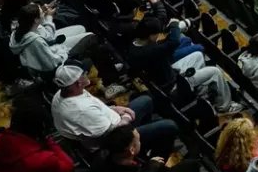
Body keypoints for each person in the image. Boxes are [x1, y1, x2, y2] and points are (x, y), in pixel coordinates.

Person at [50, 65, 179, 153]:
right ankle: (146, 150)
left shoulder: (62, 93)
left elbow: (94, 104)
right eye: (83, 74)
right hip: (113, 139)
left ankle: (143, 142)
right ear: (78, 83)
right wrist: (126, 117)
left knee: (146, 100)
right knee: (170, 125)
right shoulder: (82, 110)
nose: (86, 74)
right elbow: (112, 130)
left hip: (109, 121)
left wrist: (115, 108)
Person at [128, 16, 243, 115]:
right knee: (215, 71)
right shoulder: (151, 51)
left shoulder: (134, 44)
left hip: (167, 74)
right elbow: (174, 42)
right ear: (150, 35)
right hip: (174, 86)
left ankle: (200, 90)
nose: (158, 36)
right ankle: (224, 107)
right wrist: (174, 24)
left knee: (197, 55)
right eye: (156, 34)